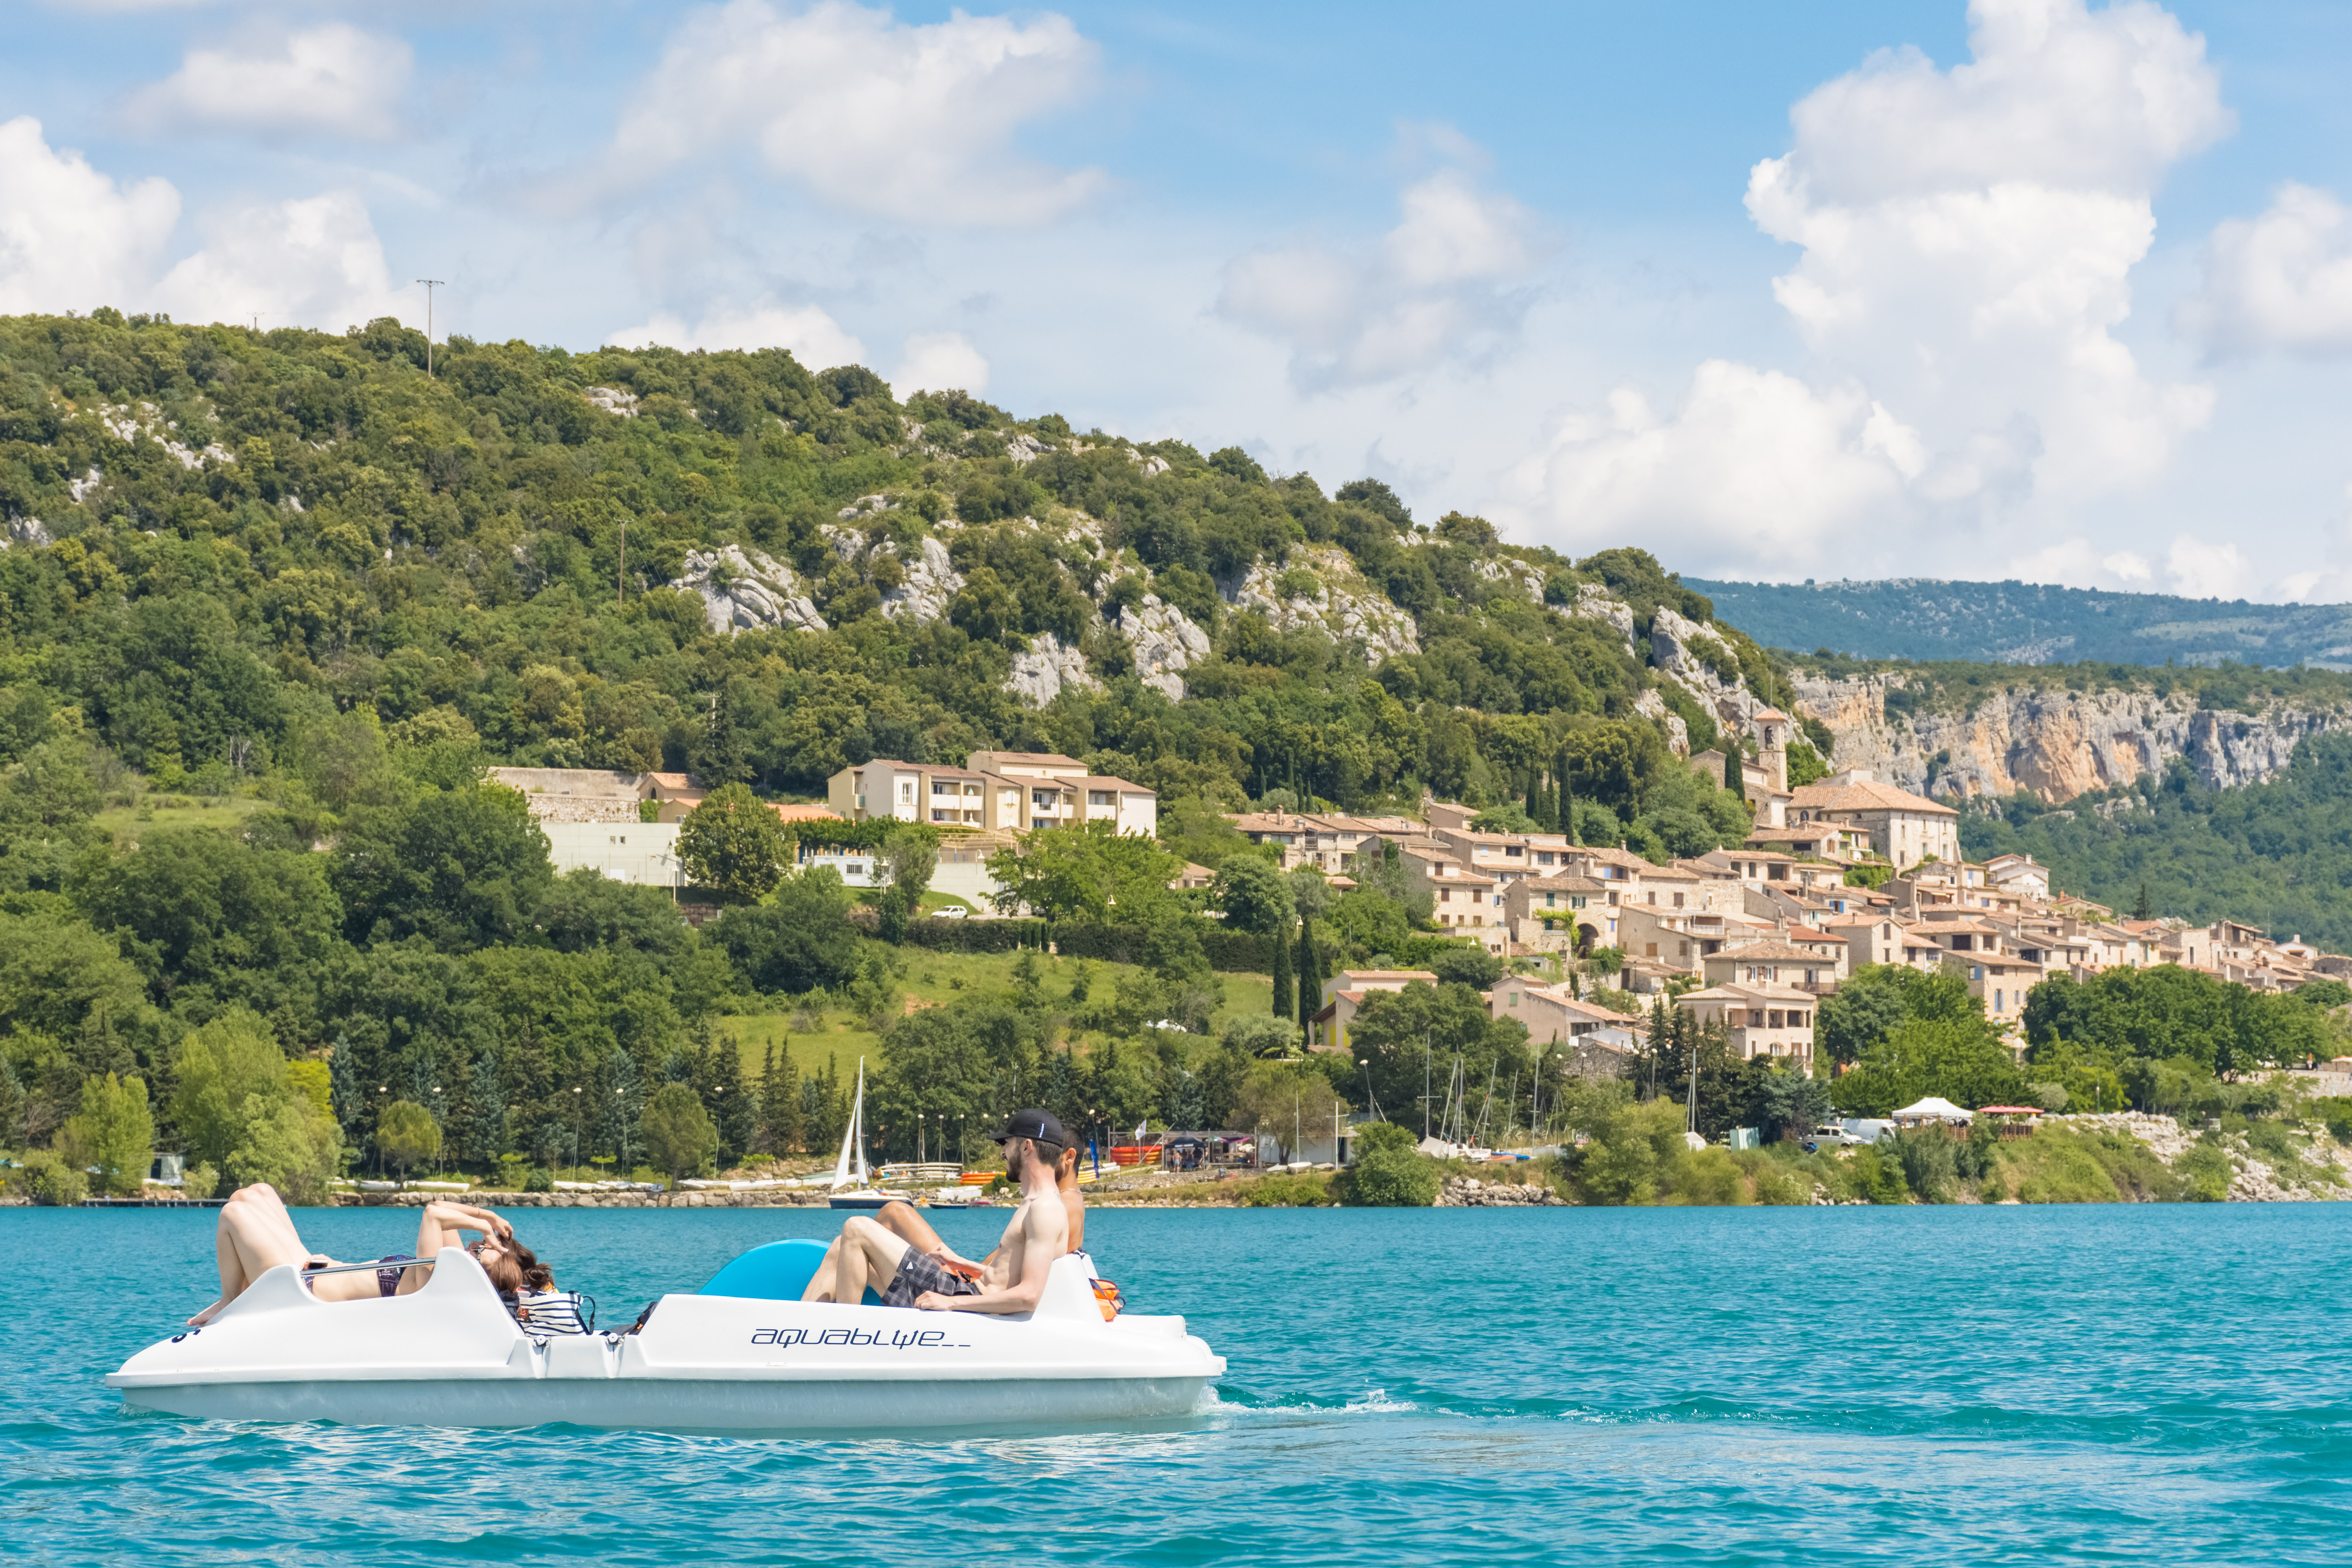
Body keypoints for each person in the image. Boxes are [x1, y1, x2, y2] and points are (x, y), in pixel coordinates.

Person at [801, 1110, 1070, 1313]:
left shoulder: (1044, 1209)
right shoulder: (1037, 1203)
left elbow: (1029, 1296)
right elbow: (1004, 1276)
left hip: (961, 1298)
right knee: (842, 1248)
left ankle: (846, 1338)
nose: (1003, 1153)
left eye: (1006, 1144)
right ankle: (799, 1329)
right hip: (963, 1288)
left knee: (856, 1228)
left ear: (1026, 1147)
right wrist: (960, 1262)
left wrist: (952, 1303)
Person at [188, 1184, 540, 1326]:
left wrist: (484, 1224)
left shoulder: (439, 1278)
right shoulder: (447, 1261)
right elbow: (438, 1207)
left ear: (479, 1275)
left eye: (480, 1254)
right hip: (315, 1266)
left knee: (232, 1215)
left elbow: (432, 1217)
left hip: (299, 1286)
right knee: (254, 1194)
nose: (475, 1247)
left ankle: (231, 1303)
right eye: (482, 1246)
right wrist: (489, 1219)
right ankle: (239, 1288)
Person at [861, 1115, 1087, 1275]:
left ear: (1069, 1157)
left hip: (970, 1281)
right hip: (974, 1276)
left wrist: (963, 1270)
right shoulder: (1067, 1200)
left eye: (1051, 1152)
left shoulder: (1058, 1206)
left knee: (894, 1212)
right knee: (861, 1248)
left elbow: (1017, 1276)